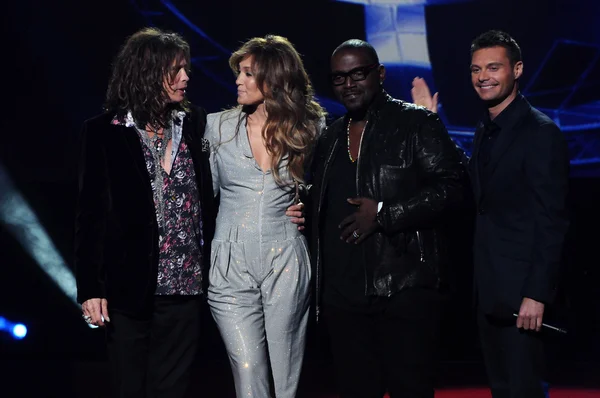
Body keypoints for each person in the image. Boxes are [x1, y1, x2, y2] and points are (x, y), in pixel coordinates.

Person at [412, 30, 570, 397]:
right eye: (476, 69)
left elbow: (553, 221)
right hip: (489, 291)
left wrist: (536, 294)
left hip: (524, 298)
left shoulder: (541, 133)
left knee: (524, 389)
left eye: (493, 67)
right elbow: (469, 181)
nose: (483, 76)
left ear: (517, 70)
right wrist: (430, 121)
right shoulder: (487, 127)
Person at [309, 39, 465, 398]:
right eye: (339, 78)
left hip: (403, 288)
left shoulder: (415, 122)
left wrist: (384, 214)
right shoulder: (330, 137)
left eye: (358, 74)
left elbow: (454, 188)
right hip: (343, 298)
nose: (349, 84)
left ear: (379, 74)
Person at [75, 27, 216, 397]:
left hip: (185, 288)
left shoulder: (196, 124)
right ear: (148, 72)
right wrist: (90, 287)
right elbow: (90, 215)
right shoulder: (104, 132)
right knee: (130, 388)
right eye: (176, 69)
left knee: (172, 390)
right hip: (128, 289)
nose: (186, 77)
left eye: (187, 68)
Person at [205, 34, 325, 398]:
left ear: (273, 79)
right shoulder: (217, 127)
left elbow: (325, 189)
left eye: (247, 73)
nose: (237, 81)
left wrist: (309, 208)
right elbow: (198, 193)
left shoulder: (310, 127)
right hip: (229, 263)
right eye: (238, 73)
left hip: (285, 258)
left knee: (287, 375)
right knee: (248, 369)